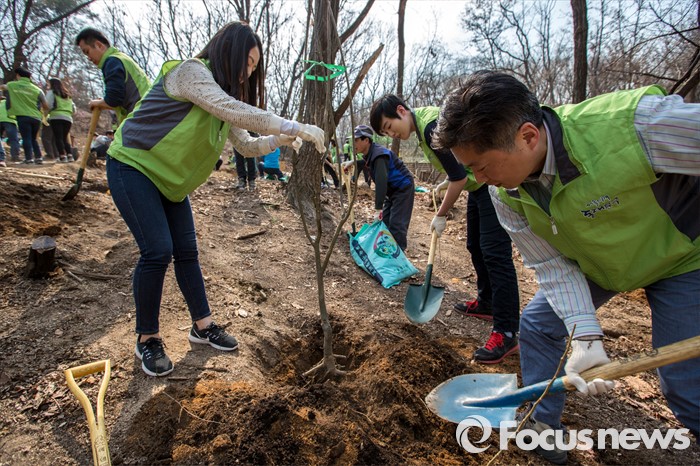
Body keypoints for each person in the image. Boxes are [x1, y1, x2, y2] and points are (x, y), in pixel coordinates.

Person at [433, 70, 700, 463]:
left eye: (482, 165)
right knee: (538, 325)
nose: (478, 179)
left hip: (683, 259)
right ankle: (544, 430)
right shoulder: (506, 196)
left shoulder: (634, 126)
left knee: (686, 387)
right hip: (600, 261)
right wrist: (586, 337)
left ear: (528, 137)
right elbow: (552, 266)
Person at [105, 21, 325, 377]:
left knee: (187, 252)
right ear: (229, 51)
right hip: (133, 166)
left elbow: (245, 144)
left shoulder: (219, 99)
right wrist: (291, 125)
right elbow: (233, 109)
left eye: (253, 67)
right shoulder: (191, 73)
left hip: (169, 181)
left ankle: (202, 326)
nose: (248, 72)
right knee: (158, 250)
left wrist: (278, 141)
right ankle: (147, 338)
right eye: (247, 62)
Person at [370, 94, 520, 363]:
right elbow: (456, 169)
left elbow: (459, 178)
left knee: (495, 254)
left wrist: (440, 214)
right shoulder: (423, 125)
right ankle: (487, 302)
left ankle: (507, 331)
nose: (392, 134)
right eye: (386, 133)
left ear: (401, 111)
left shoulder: (429, 127)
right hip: (478, 185)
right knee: (475, 245)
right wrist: (447, 181)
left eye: (390, 127)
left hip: (492, 183)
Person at [343, 124, 414, 250]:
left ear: (366, 140)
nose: (353, 144)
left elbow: (381, 182)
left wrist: (378, 208)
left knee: (397, 223)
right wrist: (354, 162)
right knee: (385, 221)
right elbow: (367, 164)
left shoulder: (379, 155)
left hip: (402, 188)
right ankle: (386, 249)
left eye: (356, 140)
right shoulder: (371, 154)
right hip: (391, 191)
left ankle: (398, 254)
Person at [75, 28, 151, 126]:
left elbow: (113, 100)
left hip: (141, 118)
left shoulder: (112, 62)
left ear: (99, 45)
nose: (88, 58)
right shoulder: (121, 58)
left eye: (87, 52)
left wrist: (96, 103)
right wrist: (102, 102)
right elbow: (120, 99)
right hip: (147, 114)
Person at [0, 67, 49, 164]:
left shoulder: (12, 85)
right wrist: (44, 116)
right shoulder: (37, 90)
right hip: (36, 117)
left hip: (23, 116)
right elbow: (46, 105)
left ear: (18, 75)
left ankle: (29, 159)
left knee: (26, 138)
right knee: (33, 138)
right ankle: (38, 158)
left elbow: (2, 87)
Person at [46, 77, 76, 163]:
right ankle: (70, 155)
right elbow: (74, 109)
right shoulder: (67, 95)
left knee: (58, 137)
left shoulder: (52, 92)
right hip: (68, 118)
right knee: (64, 137)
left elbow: (48, 105)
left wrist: (47, 113)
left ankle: (62, 156)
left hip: (56, 117)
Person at [0, 97, 20, 163]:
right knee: (13, 140)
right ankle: (15, 157)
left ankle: (1, 157)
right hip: (10, 121)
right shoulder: (13, 102)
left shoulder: (1, 103)